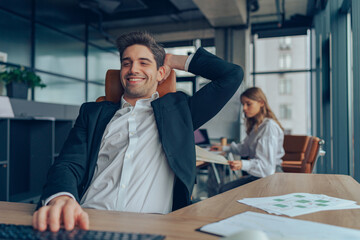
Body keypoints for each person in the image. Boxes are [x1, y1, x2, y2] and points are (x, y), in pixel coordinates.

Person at [32, 31, 244, 232]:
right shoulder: (93, 113)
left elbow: (231, 75)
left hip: (151, 227)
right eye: (126, 63)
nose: (133, 69)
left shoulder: (180, 111)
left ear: (161, 73)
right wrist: (62, 198)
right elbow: (68, 163)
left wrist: (171, 59)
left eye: (144, 62)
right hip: (88, 220)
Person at [213, 87, 284, 193]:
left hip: (269, 177)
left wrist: (242, 164)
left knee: (224, 190)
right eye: (243, 104)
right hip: (259, 175)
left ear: (261, 103)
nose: (244, 108)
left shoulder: (269, 127)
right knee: (223, 189)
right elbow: (244, 149)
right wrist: (224, 147)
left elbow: (267, 168)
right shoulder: (258, 126)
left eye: (248, 104)